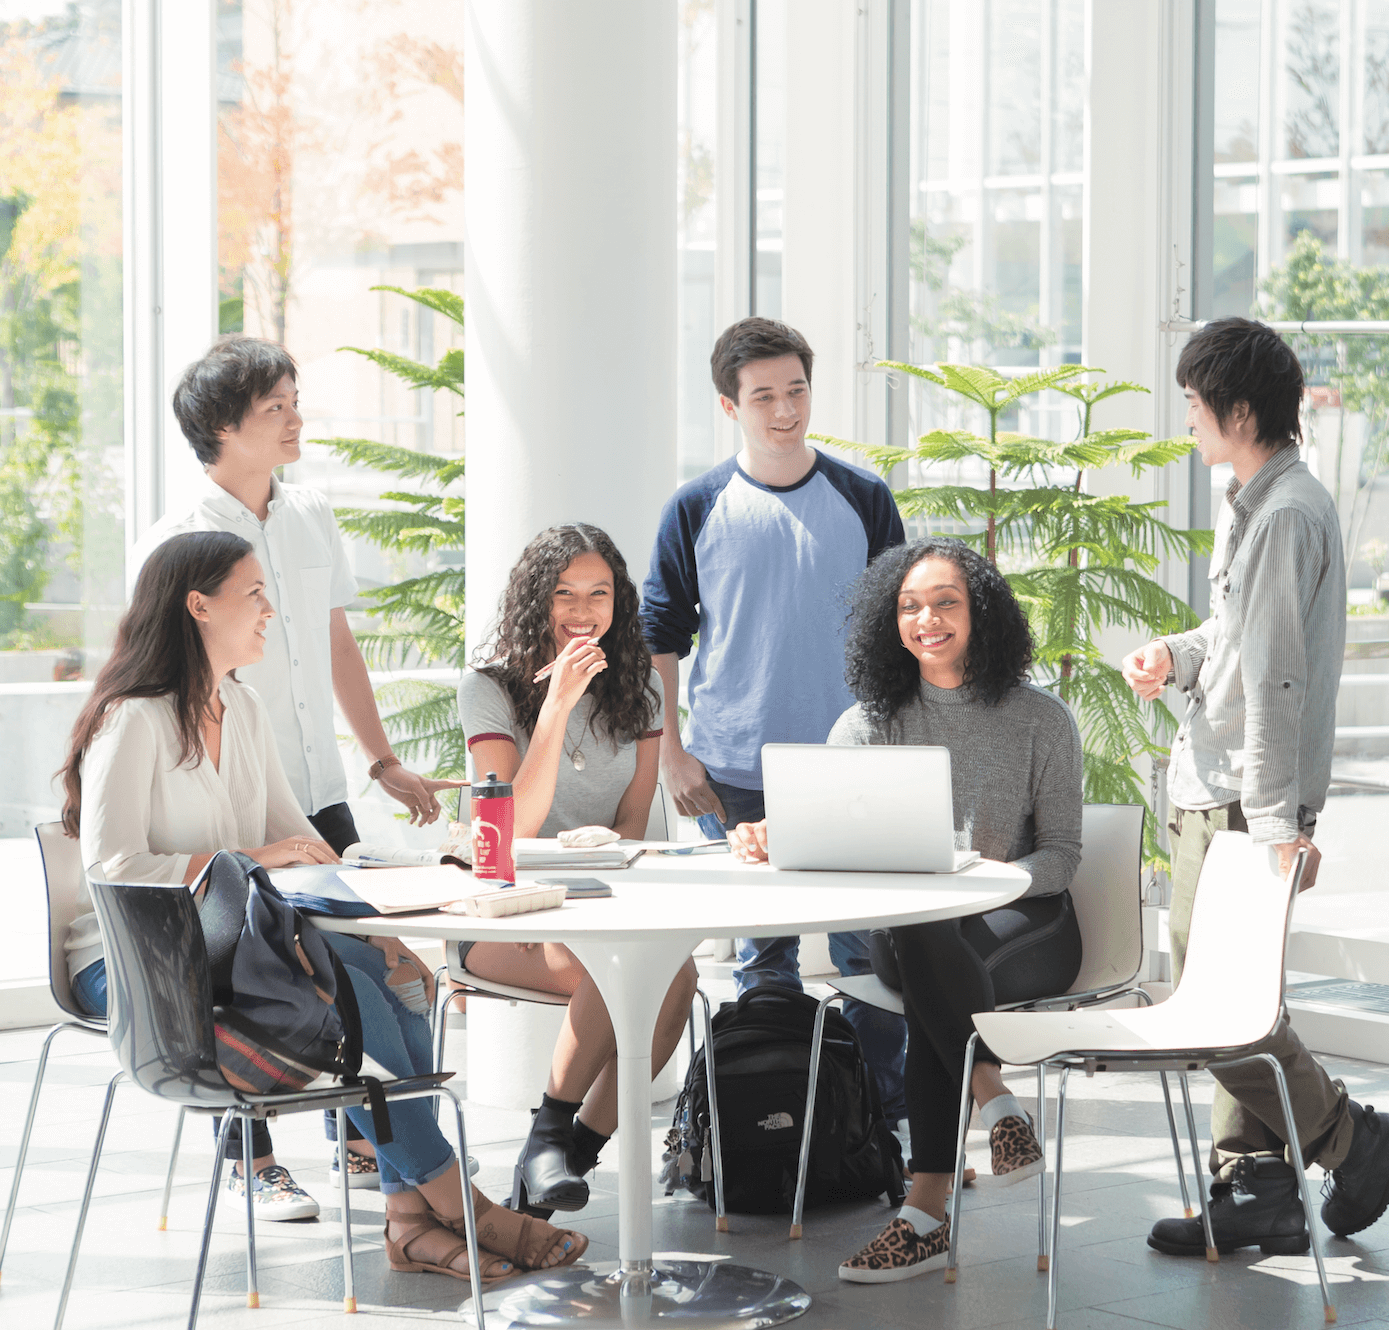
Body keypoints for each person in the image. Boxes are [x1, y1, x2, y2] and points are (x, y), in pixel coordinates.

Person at [56, 530, 587, 1283]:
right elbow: (113, 868)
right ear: (199, 606)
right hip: (132, 963)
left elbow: (302, 844)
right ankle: (460, 1207)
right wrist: (241, 861)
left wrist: (407, 886)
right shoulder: (132, 719)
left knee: (391, 987)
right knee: (354, 1005)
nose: (271, 610)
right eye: (254, 593)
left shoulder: (238, 707)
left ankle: (408, 1225)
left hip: (227, 945)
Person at [1120, 317, 1389, 1256]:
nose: (1188, 422)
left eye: (1195, 405)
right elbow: (1241, 644)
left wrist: (1274, 821)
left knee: (1214, 1012)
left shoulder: (1287, 514)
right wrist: (1176, 655)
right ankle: (1255, 1192)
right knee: (1237, 1002)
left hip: (1241, 801)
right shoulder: (1252, 500)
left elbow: (1280, 681)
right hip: (1222, 783)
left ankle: (1352, 1138)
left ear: (1239, 410)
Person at [144, 335, 464, 1207]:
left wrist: (381, 758)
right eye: (275, 406)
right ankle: (250, 1159)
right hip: (225, 803)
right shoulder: (179, 540)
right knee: (251, 969)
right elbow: (165, 676)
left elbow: (333, 640)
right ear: (221, 426)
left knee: (372, 962)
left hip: (313, 789)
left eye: (295, 399)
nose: (296, 417)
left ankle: (368, 1140)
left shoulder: (311, 511)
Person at [729, 538, 1083, 1284]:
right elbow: (828, 834)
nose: (927, 619)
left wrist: (994, 878)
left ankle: (925, 1215)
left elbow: (1061, 856)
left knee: (927, 977)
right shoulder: (866, 724)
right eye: (910, 606)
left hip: (1028, 923)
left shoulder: (1039, 719)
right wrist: (774, 833)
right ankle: (992, 1100)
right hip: (917, 931)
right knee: (920, 937)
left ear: (980, 613)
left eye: (945, 602)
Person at [642, 316, 911, 1120]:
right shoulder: (695, 506)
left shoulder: (863, 498)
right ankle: (783, 1128)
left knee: (869, 956)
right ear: (730, 406)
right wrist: (671, 755)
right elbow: (661, 636)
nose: (785, 410)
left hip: (850, 768)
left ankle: (878, 1127)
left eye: (796, 390)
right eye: (764, 396)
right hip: (731, 771)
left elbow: (899, 628)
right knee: (766, 960)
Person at [456, 524, 697, 1218]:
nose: (582, 611)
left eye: (599, 594)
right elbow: (509, 829)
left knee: (673, 979)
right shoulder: (490, 687)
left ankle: (560, 1158)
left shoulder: (643, 685)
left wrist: (603, 842)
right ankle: (549, 1142)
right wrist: (557, 705)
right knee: (624, 971)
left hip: (599, 903)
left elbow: (632, 821)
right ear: (536, 601)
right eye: (564, 594)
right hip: (505, 913)